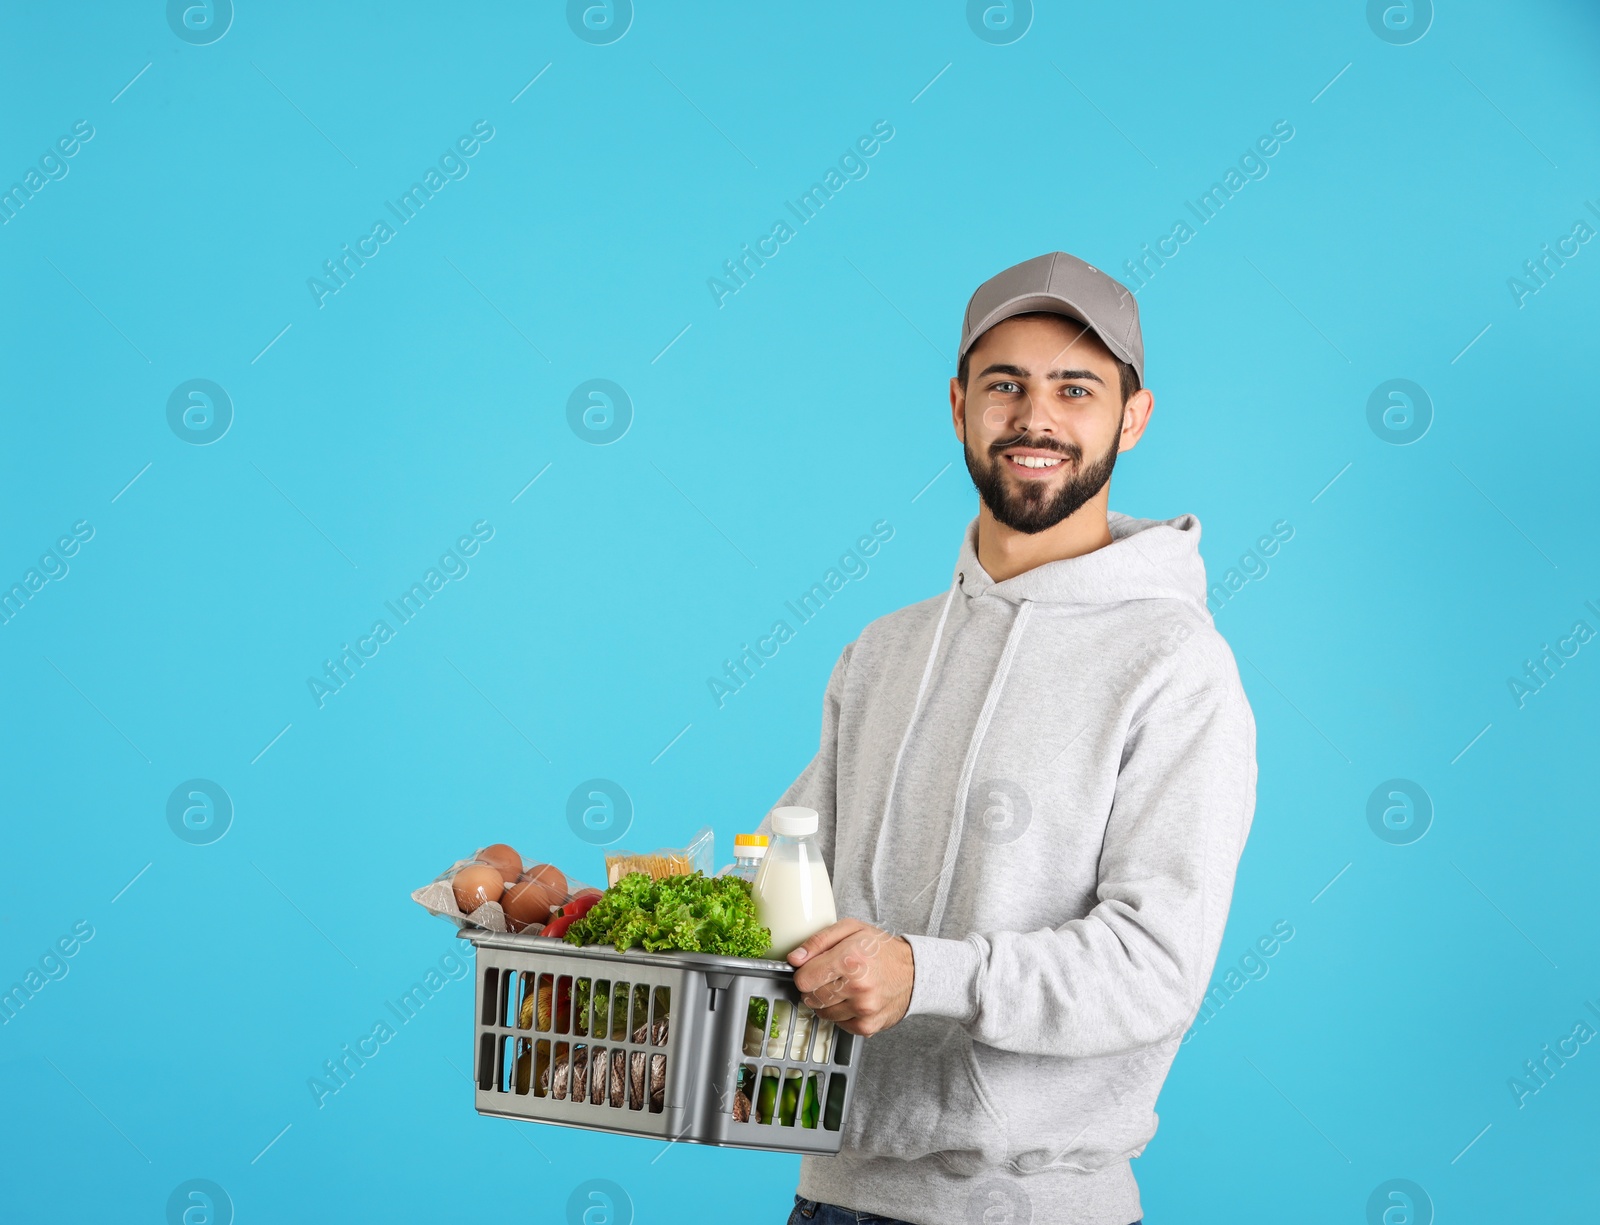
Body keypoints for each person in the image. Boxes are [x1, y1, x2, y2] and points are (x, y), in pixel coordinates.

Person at [757, 252, 1259, 1225]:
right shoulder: (881, 651)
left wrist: (924, 972)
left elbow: (1156, 967)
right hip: (831, 1197)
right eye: (1006, 385)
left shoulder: (1174, 665)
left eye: (1075, 388)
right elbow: (786, 871)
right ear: (958, 406)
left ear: (1132, 416)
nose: (1035, 418)